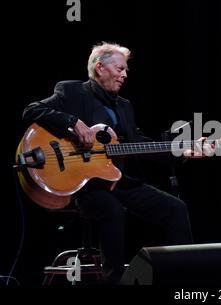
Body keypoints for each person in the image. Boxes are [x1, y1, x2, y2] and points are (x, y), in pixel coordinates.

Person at [22, 42, 208, 284]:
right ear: (100, 67)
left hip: (119, 182)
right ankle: (114, 280)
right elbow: (31, 111)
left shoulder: (124, 106)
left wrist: (184, 151)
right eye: (120, 69)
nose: (125, 74)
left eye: (126, 70)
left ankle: (183, 282)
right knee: (112, 211)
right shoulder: (72, 92)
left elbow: (140, 144)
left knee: (176, 209)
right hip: (84, 187)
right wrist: (72, 122)